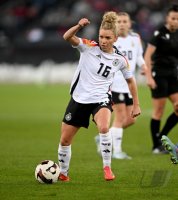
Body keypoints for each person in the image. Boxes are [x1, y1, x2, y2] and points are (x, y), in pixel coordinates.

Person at [58, 11, 141, 182]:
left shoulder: (119, 60)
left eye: (108, 38)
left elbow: (131, 82)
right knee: (65, 140)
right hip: (79, 99)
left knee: (104, 128)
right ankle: (63, 173)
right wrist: (79, 26)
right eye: (101, 36)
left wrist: (136, 104)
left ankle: (107, 168)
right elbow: (67, 37)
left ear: (115, 39)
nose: (103, 41)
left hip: (101, 99)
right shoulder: (88, 46)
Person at [95, 12, 147, 159]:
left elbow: (138, 56)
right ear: (116, 24)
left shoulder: (135, 38)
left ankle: (104, 136)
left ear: (130, 24)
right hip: (115, 84)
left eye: (125, 21)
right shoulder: (112, 39)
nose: (122, 24)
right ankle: (116, 151)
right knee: (120, 117)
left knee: (131, 119)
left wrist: (143, 66)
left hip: (128, 86)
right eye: (120, 21)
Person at [144, 4, 178, 154]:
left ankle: (162, 138)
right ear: (167, 18)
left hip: (173, 74)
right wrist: (149, 76)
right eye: (173, 18)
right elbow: (147, 55)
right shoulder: (159, 33)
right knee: (158, 111)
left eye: (177, 19)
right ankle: (155, 146)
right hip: (159, 75)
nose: (175, 21)